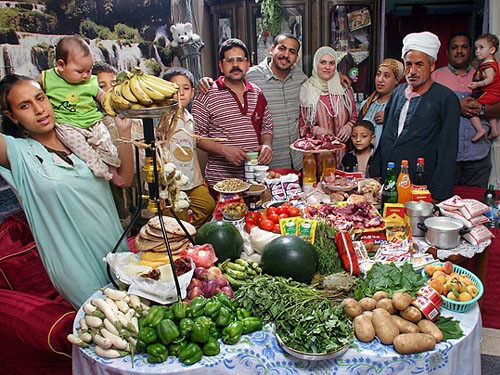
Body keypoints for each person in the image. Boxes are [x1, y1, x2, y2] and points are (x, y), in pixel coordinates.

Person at [0, 74, 134, 309]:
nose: (39, 110)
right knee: (106, 330)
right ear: (12, 116)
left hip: (117, 251)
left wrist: (124, 133)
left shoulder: (80, 137)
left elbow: (123, 178)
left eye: (40, 98)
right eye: (25, 106)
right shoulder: (18, 153)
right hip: (75, 267)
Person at [197, 34, 352, 171]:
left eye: (292, 52)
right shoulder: (251, 76)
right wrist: (206, 81)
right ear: (272, 49)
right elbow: (230, 76)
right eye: (282, 48)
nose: (286, 55)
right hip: (267, 162)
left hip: (299, 160)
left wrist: (336, 76)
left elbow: (319, 79)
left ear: (296, 57)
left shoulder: (301, 79)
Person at [369, 31, 460, 202]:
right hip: (391, 178)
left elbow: (448, 151)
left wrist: (438, 194)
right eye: (408, 64)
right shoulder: (397, 93)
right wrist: (377, 172)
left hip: (421, 184)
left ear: (432, 66)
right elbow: (387, 136)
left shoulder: (446, 99)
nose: (412, 71)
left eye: (419, 64)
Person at [192, 38, 273, 191]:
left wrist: (267, 145)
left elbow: (266, 126)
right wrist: (224, 150)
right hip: (221, 183)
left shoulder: (257, 93)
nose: (235, 65)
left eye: (240, 60)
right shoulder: (206, 94)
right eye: (229, 60)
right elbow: (195, 136)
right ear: (221, 66)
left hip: (255, 180)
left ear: (248, 65)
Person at [38, 35, 121, 181]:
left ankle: (112, 169)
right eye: (80, 71)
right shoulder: (46, 78)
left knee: (106, 143)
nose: (86, 75)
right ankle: (99, 170)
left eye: (89, 70)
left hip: (93, 121)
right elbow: (32, 91)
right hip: (67, 124)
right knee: (83, 150)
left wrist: (114, 108)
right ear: (61, 65)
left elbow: (102, 97)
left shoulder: (90, 81)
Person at [432, 32, 492, 188]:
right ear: (446, 52)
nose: (459, 51)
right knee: (445, 205)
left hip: (478, 156)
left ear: (471, 50)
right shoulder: (435, 77)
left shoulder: (485, 77)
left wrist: (480, 108)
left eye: (464, 47)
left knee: (477, 205)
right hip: (447, 157)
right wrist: (456, 106)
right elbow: (426, 111)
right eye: (454, 47)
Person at [92, 62, 147, 229]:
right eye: (102, 86)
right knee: (124, 220)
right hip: (118, 182)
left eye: (114, 83)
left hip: (142, 177)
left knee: (144, 218)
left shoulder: (134, 115)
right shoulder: (97, 123)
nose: (109, 89)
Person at [163, 67, 215, 228]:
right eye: (175, 89)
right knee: (178, 217)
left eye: (186, 89)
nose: (181, 93)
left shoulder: (191, 118)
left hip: (192, 180)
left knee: (208, 206)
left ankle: (192, 234)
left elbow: (192, 153)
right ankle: (184, 243)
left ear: (192, 93)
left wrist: (200, 179)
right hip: (173, 183)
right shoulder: (164, 119)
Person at [299, 46, 358, 167]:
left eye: (332, 63)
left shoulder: (345, 90)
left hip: (344, 156)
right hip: (316, 159)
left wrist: (349, 126)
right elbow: (301, 124)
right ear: (316, 64)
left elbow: (354, 117)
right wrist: (315, 130)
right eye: (323, 62)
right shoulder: (306, 89)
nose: (327, 67)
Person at [358, 58, 404, 149]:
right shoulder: (366, 105)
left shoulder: (400, 106)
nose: (380, 79)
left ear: (396, 80)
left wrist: (390, 117)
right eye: (378, 74)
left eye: (386, 76)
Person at [468, 33, 500, 141]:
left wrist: (477, 84)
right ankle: (495, 130)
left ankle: (480, 129)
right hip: (494, 95)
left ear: (492, 50)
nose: (477, 51)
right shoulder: (492, 62)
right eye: (476, 48)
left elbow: (489, 79)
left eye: (481, 48)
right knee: (490, 113)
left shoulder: (489, 66)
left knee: (471, 107)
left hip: (488, 93)